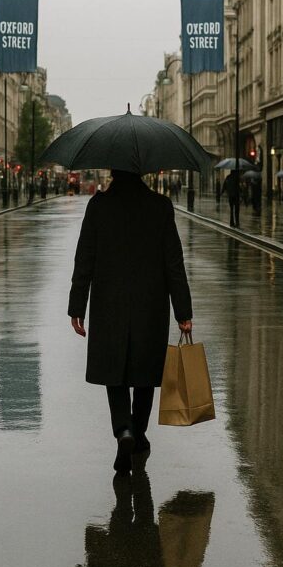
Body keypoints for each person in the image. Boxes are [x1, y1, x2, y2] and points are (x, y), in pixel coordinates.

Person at [68, 169, 193, 474]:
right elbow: (174, 263)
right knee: (145, 373)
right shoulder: (160, 206)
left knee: (115, 372)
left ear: (113, 172)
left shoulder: (99, 206)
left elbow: (84, 258)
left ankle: (123, 429)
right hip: (150, 303)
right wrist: (183, 311)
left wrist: (77, 306)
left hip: (108, 303)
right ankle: (138, 432)